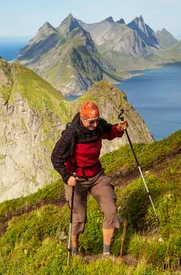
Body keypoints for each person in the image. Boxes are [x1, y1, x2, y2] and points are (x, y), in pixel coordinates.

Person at [51, 101, 128, 257]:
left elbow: (109, 132)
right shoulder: (71, 134)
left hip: (96, 175)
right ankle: (75, 251)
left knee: (111, 211)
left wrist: (118, 129)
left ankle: (106, 254)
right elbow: (56, 157)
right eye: (91, 122)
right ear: (82, 119)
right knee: (77, 216)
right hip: (76, 177)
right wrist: (66, 177)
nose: (94, 124)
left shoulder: (99, 126)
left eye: (96, 120)